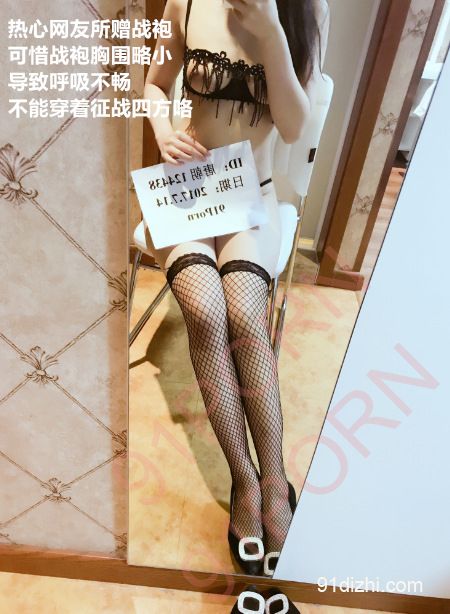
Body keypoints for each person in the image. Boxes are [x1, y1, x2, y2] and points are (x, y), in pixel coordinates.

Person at [143, 0, 329, 576]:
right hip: (189, 185)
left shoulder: (306, 10)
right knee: (204, 311)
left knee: (246, 317)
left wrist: (271, 32)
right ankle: (245, 481)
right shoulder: (187, 1)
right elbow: (155, 84)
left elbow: (294, 128)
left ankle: (274, 480)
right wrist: (164, 131)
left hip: (254, 191)